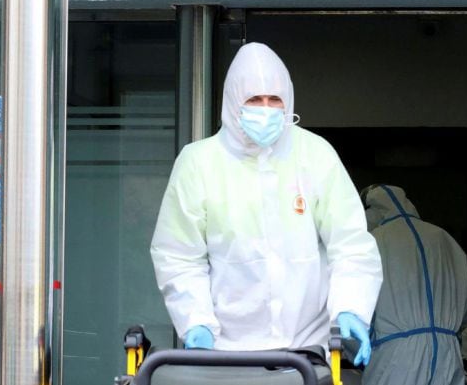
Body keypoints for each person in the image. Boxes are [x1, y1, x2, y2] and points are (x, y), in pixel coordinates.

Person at [150, 42, 382, 362]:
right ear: (233, 102)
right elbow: (178, 255)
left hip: (307, 349)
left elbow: (351, 245)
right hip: (224, 352)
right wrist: (196, 323)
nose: (266, 109)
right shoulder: (199, 163)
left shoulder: (315, 155)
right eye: (254, 100)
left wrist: (351, 310)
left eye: (275, 100)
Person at [360, 185, 467, 385]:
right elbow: (466, 311)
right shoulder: (446, 240)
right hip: (446, 352)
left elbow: (359, 313)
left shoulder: (374, 243)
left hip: (395, 353)